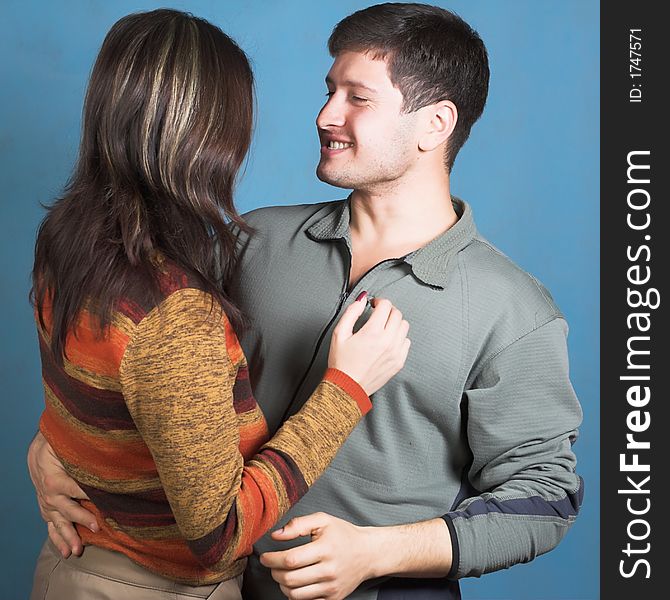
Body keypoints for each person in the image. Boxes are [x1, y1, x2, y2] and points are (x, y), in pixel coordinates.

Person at [28, 3, 584, 600]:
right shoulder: (249, 242)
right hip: (218, 584)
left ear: (435, 124)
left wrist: (379, 553)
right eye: (328, 91)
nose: (325, 115)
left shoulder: (515, 312)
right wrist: (52, 445)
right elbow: (133, 355)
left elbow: (545, 499)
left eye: (357, 98)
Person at [27, 8, 410, 600]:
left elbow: (96, 393)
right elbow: (219, 533)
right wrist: (348, 388)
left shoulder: (67, 238)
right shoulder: (172, 308)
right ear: (210, 135)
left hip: (71, 567)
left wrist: (48, 445)